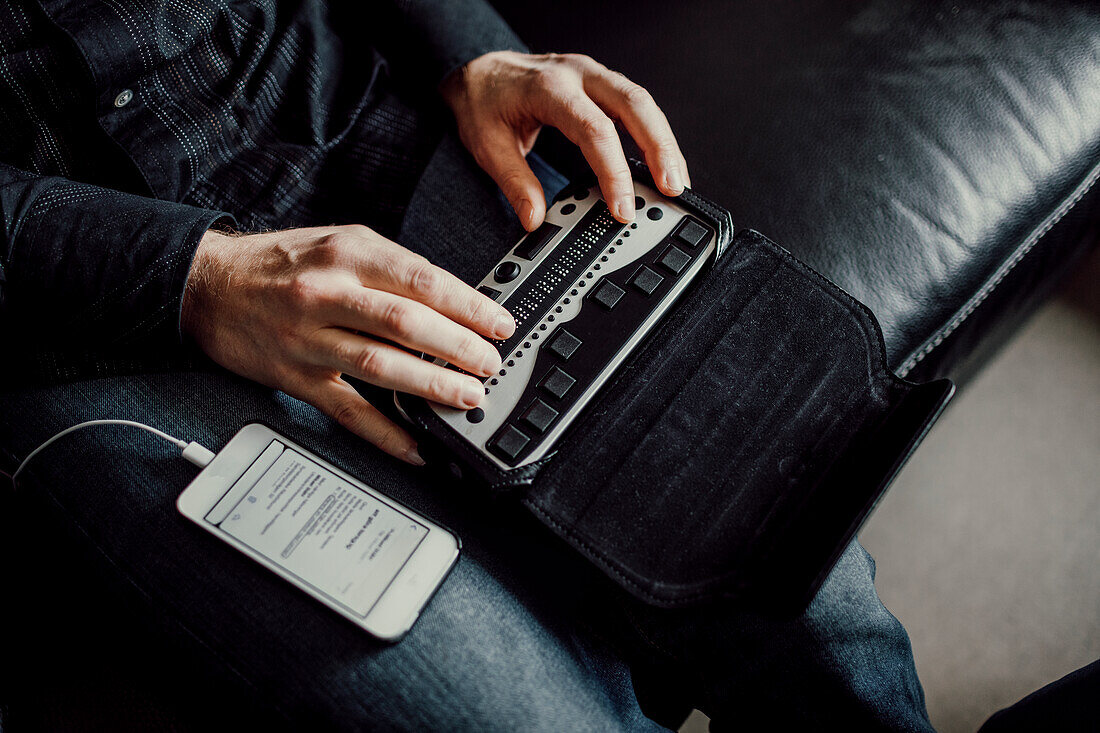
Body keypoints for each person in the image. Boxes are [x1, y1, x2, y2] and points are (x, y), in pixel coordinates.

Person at [0, 1, 932, 729]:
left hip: (353, 132)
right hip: (88, 333)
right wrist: (193, 276)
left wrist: (470, 55)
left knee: (803, 585)